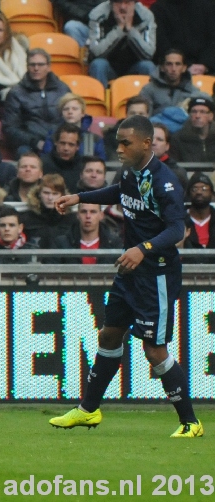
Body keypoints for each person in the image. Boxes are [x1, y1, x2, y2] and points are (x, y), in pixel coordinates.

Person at [50, 114, 201, 438]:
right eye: (117, 141)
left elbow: (178, 228)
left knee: (154, 350)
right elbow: (121, 192)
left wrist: (143, 248)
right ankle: (88, 411)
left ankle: (191, 422)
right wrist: (80, 196)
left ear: (146, 143)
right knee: (108, 335)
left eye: (125, 142)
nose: (118, 148)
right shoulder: (131, 173)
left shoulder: (166, 182)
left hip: (156, 273)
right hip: (131, 270)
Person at [2, 49, 71, 155]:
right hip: (31, 145)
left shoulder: (62, 89)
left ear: (48, 67)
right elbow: (10, 128)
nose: (36, 68)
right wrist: (35, 142)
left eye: (40, 64)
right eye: (32, 65)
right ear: (27, 67)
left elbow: (73, 118)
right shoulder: (16, 93)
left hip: (60, 142)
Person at [87, 0, 157, 87]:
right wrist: (119, 29)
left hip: (134, 66)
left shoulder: (146, 16)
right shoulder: (98, 14)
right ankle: (100, 98)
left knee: (148, 66)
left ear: (134, 3)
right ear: (111, 3)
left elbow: (149, 53)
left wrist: (130, 30)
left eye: (127, 2)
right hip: (109, 66)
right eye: (118, 2)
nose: (122, 7)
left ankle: (146, 99)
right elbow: (96, 52)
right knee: (98, 64)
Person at [151, 0, 215, 76]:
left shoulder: (209, 5)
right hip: (173, 71)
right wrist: (184, 66)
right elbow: (161, 45)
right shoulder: (158, 9)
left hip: (209, 67)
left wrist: (205, 65)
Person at [139, 49, 208, 116]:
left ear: (184, 68)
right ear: (162, 68)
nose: (173, 69)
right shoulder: (148, 90)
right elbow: (144, 118)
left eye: (177, 64)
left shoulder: (193, 92)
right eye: (169, 64)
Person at [41, 93, 106, 160]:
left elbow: (101, 163)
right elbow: (46, 160)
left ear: (83, 113)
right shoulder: (52, 136)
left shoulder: (95, 139)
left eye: (74, 109)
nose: (70, 112)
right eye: (66, 109)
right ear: (62, 114)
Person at [50, 202, 122, 263]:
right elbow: (50, 274)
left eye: (93, 212)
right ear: (77, 215)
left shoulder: (114, 243)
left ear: (101, 215)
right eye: (84, 212)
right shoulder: (61, 243)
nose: (88, 216)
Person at [21, 173, 76, 246]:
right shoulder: (26, 218)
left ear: (62, 195)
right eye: (46, 193)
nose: (50, 198)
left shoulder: (71, 219)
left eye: (55, 194)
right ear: (39, 193)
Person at [41, 123, 85, 192]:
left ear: (78, 147)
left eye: (71, 144)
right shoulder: (42, 164)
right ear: (56, 142)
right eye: (62, 143)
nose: (66, 148)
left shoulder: (83, 167)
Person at [103, 96, 150, 160]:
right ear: (126, 115)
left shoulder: (156, 136)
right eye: (132, 113)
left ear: (147, 115)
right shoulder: (112, 137)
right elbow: (114, 163)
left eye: (141, 114)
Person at [170, 97, 215, 164]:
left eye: (202, 112)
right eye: (194, 111)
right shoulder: (178, 138)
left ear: (211, 116)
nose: (197, 116)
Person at [183, 173, 215, 261]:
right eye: (194, 189)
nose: (199, 192)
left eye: (204, 188)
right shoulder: (180, 219)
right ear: (188, 194)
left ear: (212, 194)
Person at [150, 123, 187, 191]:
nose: (153, 142)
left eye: (159, 139)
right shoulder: (131, 169)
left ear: (167, 146)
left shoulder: (177, 173)